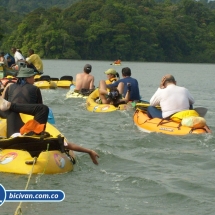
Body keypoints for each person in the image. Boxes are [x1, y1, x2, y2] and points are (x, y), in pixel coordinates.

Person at [0, 98, 99, 164]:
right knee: (41, 109)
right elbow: (68, 145)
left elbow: (67, 145)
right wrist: (89, 151)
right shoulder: (49, 142)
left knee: (14, 113)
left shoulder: (45, 142)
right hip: (30, 134)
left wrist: (89, 151)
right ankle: (8, 105)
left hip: (17, 137)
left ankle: (9, 105)